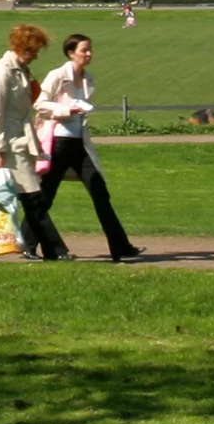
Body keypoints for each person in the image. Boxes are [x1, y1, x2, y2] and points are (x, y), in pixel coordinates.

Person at [32, 33, 145, 263]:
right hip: (58, 141)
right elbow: (39, 104)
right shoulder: (57, 75)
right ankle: (28, 241)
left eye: (90, 50)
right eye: (84, 50)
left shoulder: (88, 79)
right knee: (46, 195)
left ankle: (120, 246)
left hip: (78, 142)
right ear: (71, 53)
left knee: (99, 191)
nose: (89, 54)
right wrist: (67, 110)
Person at [0, 24, 70, 260]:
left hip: (19, 138)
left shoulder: (21, 71)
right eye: (33, 50)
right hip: (8, 141)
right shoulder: (1, 72)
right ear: (21, 48)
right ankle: (55, 250)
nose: (36, 55)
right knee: (33, 197)